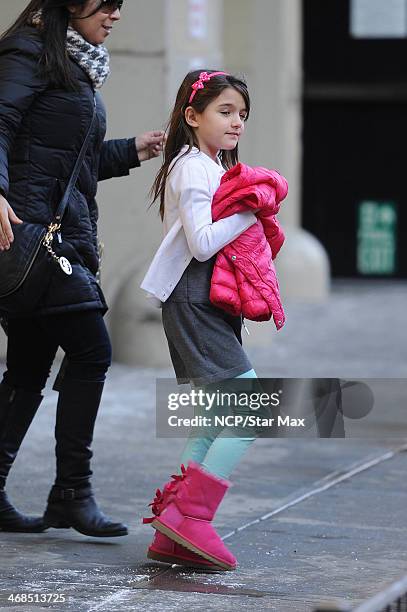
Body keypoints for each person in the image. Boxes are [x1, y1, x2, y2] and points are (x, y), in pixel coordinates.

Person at [0, 0, 165, 537]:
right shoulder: (28, 51)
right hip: (31, 233)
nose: (114, 15)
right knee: (93, 350)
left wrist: (132, 151)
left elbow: (73, 161)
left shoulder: (71, 63)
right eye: (105, 4)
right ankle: (72, 491)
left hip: (51, 229)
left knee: (27, 366)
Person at [140, 70, 286, 570]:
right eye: (225, 111)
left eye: (242, 114)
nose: (236, 122)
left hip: (203, 301)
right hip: (193, 299)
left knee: (213, 418)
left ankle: (171, 531)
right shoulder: (191, 166)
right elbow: (202, 242)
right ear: (192, 115)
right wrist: (251, 213)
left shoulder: (209, 164)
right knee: (248, 413)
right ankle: (192, 519)